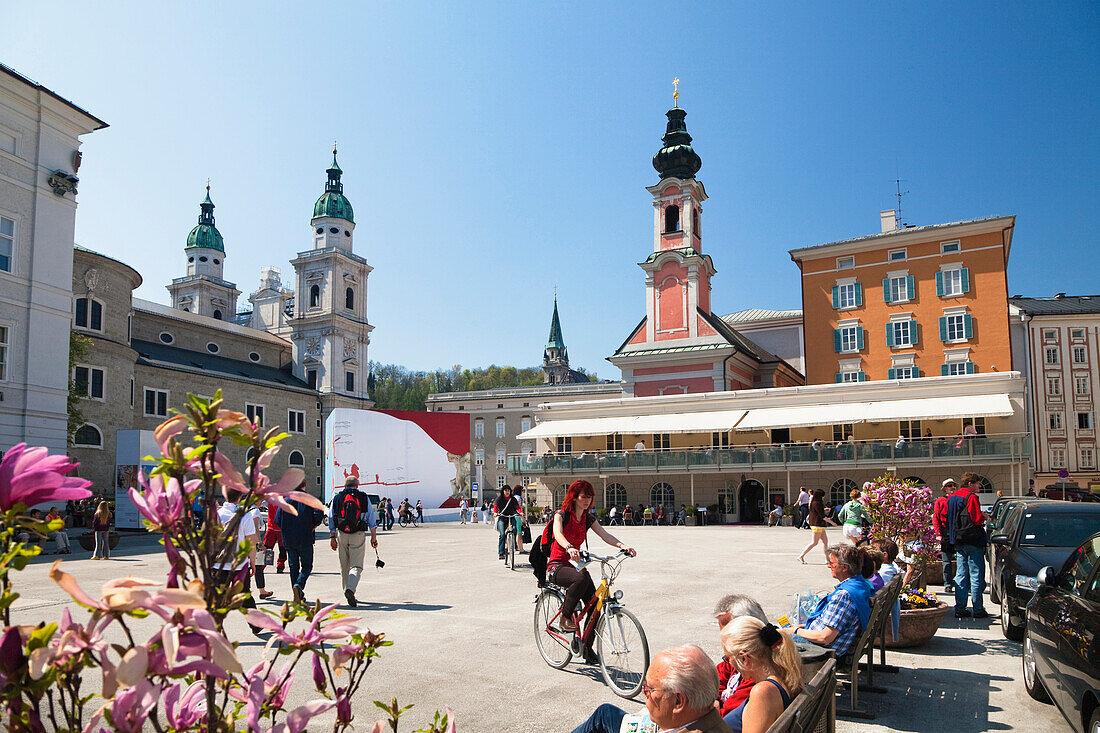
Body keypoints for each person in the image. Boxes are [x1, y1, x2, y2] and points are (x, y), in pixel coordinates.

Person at [567, 645, 732, 733]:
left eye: (650, 689)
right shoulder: (709, 719)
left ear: (678, 701)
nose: (643, 693)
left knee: (604, 714)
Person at [547, 480, 634, 634]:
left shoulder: (588, 518)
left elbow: (605, 535)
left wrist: (623, 546)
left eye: (590, 497)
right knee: (580, 578)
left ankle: (587, 649)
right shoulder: (561, 514)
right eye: (583, 497)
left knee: (595, 606)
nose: (587, 501)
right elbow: (558, 534)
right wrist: (569, 547)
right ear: (574, 497)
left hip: (576, 565)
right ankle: (565, 618)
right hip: (557, 565)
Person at [783, 543, 874, 661]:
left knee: (768, 639)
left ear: (844, 567)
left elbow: (825, 638)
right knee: (774, 631)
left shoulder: (844, 595)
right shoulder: (861, 585)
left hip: (824, 650)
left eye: (832, 563)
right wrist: (803, 627)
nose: (828, 566)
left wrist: (795, 631)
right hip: (828, 642)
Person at [720, 617, 801, 731]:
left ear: (744, 659)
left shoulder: (763, 692)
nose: (729, 663)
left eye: (728, 657)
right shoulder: (785, 676)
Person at [214, 488, 261, 635]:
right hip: (239, 563)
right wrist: (252, 561)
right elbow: (251, 541)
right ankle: (256, 624)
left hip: (219, 563)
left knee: (217, 597)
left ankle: (214, 627)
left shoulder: (217, 514)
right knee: (245, 595)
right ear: (240, 497)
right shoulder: (245, 515)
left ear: (224, 495)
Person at [328, 477, 379, 608]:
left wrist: (332, 536)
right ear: (357, 485)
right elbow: (371, 518)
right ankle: (350, 589)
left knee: (344, 566)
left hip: (342, 534)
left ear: (345, 485)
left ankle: (346, 590)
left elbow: (331, 516)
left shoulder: (338, 498)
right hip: (358, 534)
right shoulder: (363, 497)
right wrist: (373, 537)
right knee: (356, 566)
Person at [275, 483, 326, 604]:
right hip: (305, 537)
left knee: (293, 566)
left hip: (289, 539)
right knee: (307, 566)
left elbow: (277, 520)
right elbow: (319, 513)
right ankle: (299, 585)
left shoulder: (285, 501)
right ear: (304, 486)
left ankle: (297, 593)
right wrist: (313, 524)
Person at [946, 472, 988, 619]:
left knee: (961, 575)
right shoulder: (971, 497)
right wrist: (985, 516)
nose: (978, 486)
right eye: (977, 483)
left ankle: (960, 608)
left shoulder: (952, 497)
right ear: (970, 484)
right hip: (972, 539)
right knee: (976, 575)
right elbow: (976, 519)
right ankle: (978, 608)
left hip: (957, 539)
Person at [932, 479, 957, 593]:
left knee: (961, 559)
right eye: (949, 486)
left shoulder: (957, 499)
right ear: (944, 488)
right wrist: (938, 534)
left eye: (952, 485)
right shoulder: (940, 501)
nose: (951, 487)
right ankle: (948, 583)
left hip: (957, 533)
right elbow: (936, 518)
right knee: (946, 560)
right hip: (945, 533)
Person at [797, 489, 829, 564]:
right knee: (814, 542)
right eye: (823, 496)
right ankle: (801, 556)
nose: (823, 497)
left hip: (819, 525)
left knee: (825, 542)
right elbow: (822, 516)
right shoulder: (817, 503)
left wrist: (824, 509)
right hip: (817, 525)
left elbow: (818, 512)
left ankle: (827, 559)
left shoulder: (814, 502)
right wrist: (832, 522)